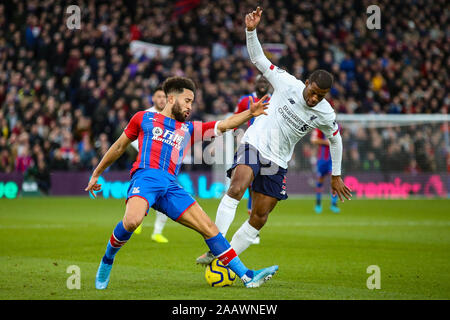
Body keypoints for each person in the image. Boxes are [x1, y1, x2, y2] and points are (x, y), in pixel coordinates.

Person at [85, 76, 278, 289]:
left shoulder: (189, 129)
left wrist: (250, 113)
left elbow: (224, 125)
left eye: (192, 102)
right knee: (131, 221)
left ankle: (248, 276)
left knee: (209, 228)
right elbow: (119, 147)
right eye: (187, 100)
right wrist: (96, 174)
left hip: (171, 186)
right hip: (146, 178)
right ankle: (107, 259)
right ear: (170, 99)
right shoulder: (143, 118)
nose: (190, 106)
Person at [197, 7, 352, 265]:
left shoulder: (325, 113)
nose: (314, 98)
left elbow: (336, 139)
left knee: (259, 216)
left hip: (278, 161)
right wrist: (251, 30)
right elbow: (258, 58)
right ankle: (216, 246)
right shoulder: (286, 82)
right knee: (236, 188)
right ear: (307, 83)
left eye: (320, 96)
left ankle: (224, 262)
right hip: (254, 144)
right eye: (312, 92)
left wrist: (336, 175)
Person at [229, 74, 271, 245]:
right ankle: (252, 231)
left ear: (269, 84)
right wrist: (236, 135)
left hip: (269, 148)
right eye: (260, 81)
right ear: (255, 83)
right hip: (250, 146)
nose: (262, 84)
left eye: (265, 82)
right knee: (246, 184)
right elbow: (235, 118)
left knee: (259, 188)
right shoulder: (245, 100)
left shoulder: (275, 101)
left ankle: (252, 230)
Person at [130, 86, 171, 243]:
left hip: (165, 165)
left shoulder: (171, 117)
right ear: (153, 98)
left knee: (164, 198)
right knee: (143, 195)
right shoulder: (146, 115)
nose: (161, 99)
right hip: (145, 163)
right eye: (159, 96)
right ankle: (136, 220)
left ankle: (157, 232)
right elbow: (132, 138)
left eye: (164, 97)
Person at [310, 128, 340, 214]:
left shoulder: (337, 126)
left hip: (333, 159)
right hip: (322, 160)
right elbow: (313, 140)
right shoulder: (320, 127)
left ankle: (334, 204)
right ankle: (318, 203)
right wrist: (326, 142)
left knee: (334, 181)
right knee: (320, 180)